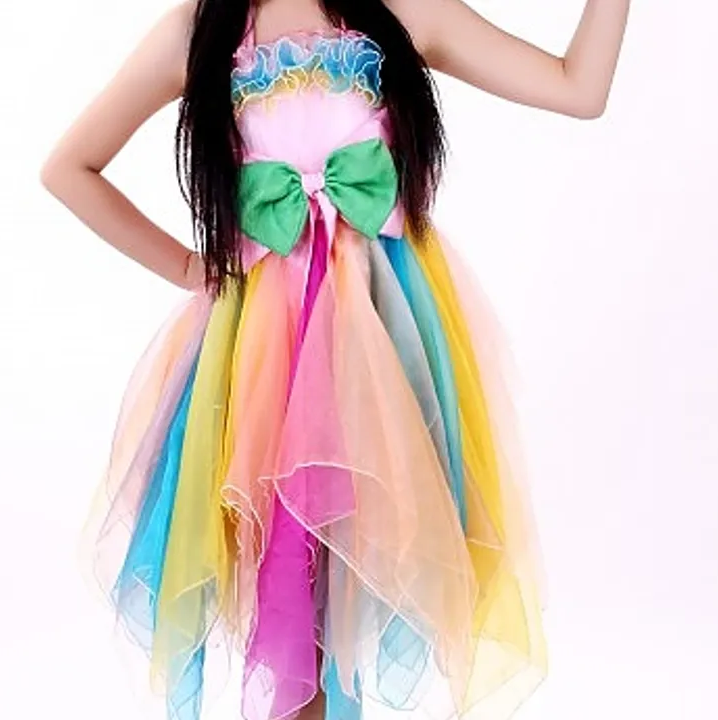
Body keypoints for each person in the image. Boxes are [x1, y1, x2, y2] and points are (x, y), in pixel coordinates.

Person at [41, 0, 629, 718]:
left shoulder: (401, 10)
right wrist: (188, 266)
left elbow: (578, 87)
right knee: (290, 583)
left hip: (378, 342)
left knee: (351, 587)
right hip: (268, 357)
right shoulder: (200, 31)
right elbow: (68, 168)